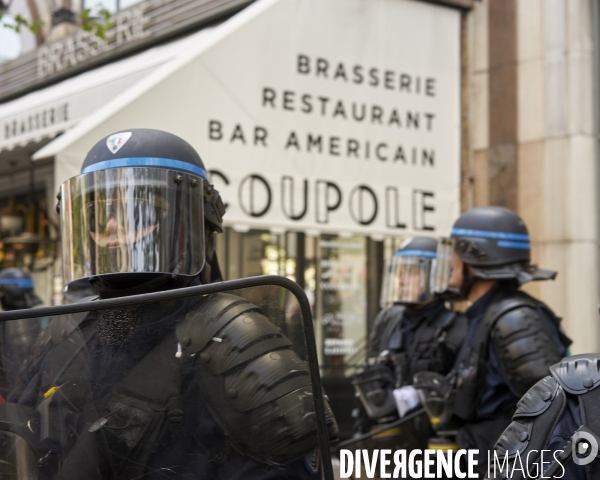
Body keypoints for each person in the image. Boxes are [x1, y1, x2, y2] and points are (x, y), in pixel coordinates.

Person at [1, 129, 338, 479]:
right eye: (99, 215)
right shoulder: (64, 331)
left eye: (138, 210)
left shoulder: (232, 338)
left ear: (193, 221)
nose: (113, 227)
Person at [433, 206, 571, 477]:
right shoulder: (483, 314)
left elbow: (553, 410)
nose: (450, 262)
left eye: (455, 253)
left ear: (475, 257)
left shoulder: (514, 318)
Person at [351, 237, 467, 451]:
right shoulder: (388, 322)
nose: (402, 280)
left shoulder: (457, 328)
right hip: (390, 447)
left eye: (412, 272)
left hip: (433, 451)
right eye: (400, 272)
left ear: (435, 276)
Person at [0, 267, 43, 398]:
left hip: (18, 394)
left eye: (2, 291)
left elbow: (19, 366)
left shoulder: (16, 322)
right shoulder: (36, 318)